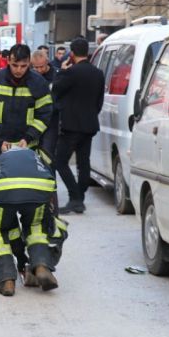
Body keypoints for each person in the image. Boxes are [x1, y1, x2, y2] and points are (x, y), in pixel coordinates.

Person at [0, 147, 67, 296]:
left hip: (1, 190)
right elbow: (52, 187)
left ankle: (6, 278)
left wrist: (20, 256)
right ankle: (41, 265)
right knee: (37, 228)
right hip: (40, 188)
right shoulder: (36, 156)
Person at [0, 44, 53, 183]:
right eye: (14, 65)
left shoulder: (39, 83)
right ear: (8, 61)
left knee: (25, 189)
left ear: (29, 62)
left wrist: (28, 138)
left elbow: (44, 115)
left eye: (23, 66)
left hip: (27, 148)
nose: (18, 70)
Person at [53, 38, 105, 214]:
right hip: (89, 124)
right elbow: (99, 101)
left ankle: (75, 197)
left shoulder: (70, 72)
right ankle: (79, 199)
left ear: (72, 54)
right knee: (84, 163)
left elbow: (56, 90)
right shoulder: (98, 73)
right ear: (88, 53)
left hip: (70, 125)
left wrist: (62, 70)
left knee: (60, 162)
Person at [31, 49, 58, 168]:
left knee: (48, 154)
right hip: (33, 120)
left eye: (41, 67)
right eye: (35, 67)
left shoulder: (57, 76)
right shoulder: (30, 76)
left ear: (47, 62)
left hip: (51, 121)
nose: (38, 70)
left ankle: (50, 183)